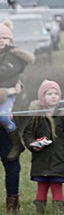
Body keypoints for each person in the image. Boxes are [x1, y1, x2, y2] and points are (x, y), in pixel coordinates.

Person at [23, 80, 64, 214]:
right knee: (42, 187)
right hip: (41, 159)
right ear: (42, 97)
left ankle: (58, 214)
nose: (54, 96)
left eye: (56, 93)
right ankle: (39, 213)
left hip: (59, 159)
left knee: (57, 186)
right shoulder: (36, 116)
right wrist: (33, 145)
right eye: (49, 94)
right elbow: (28, 134)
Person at [0, 20, 35, 163]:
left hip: (8, 93)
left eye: (4, 38)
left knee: (3, 116)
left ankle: (16, 143)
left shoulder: (13, 56)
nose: (1, 41)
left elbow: (3, 73)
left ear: (11, 40)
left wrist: (10, 90)